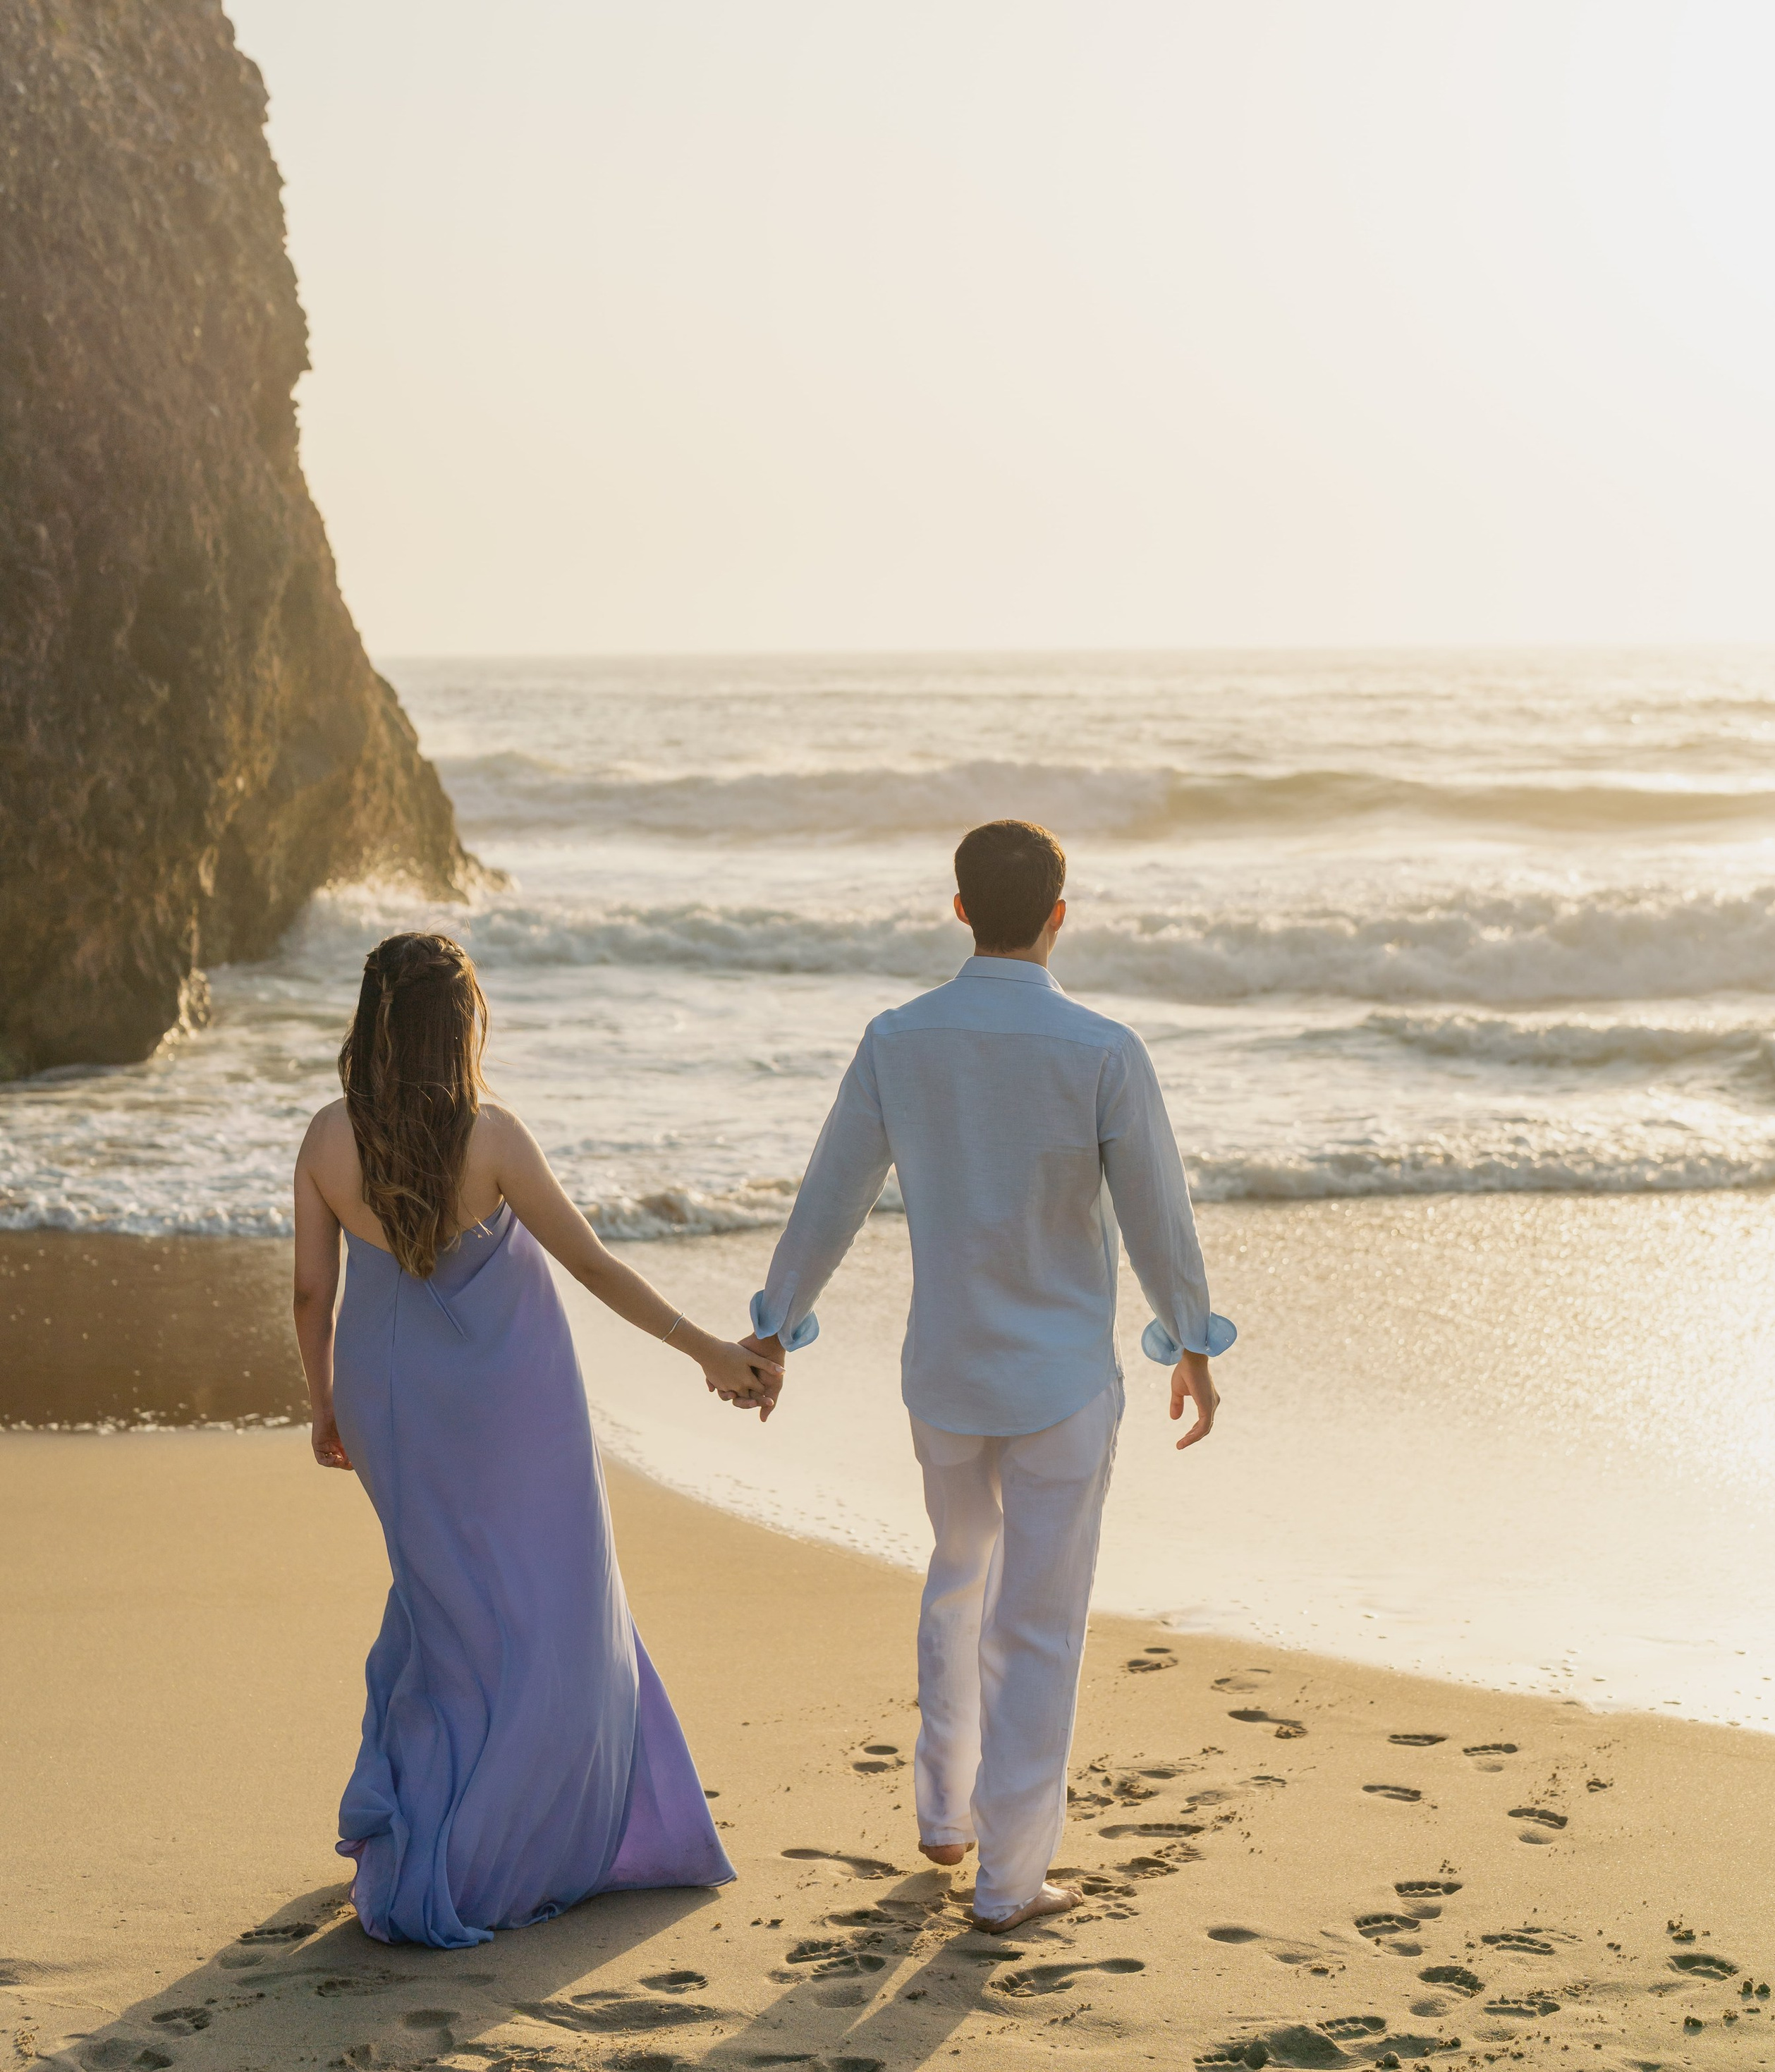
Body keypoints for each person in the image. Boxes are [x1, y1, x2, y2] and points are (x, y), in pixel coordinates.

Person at [739, 819, 1233, 1935]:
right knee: (1039, 1623)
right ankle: (1009, 1876)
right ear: (1061, 916)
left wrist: (777, 1325)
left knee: (957, 1571)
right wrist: (1191, 1343)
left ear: (959, 910)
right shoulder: (1103, 1048)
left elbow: (831, 1197)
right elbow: (1159, 1214)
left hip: (945, 1373)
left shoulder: (898, 1039)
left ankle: (943, 1809)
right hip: (1060, 1381)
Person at [291, 930, 781, 1949]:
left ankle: (434, 1822)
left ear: (373, 1022)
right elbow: (594, 1267)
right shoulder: (493, 1137)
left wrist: (324, 1403)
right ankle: (521, 1840)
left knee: (447, 1607)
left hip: (389, 1397)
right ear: (457, 1025)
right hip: (514, 1400)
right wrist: (707, 1351)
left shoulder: (328, 1138)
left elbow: (310, 1294)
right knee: (548, 1600)